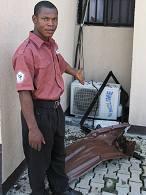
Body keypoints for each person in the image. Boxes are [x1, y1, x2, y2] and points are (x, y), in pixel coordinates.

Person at [12, 1, 84, 195]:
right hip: (37, 112)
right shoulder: (25, 53)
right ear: (35, 19)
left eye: (54, 19)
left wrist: (74, 72)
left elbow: (60, 62)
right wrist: (33, 129)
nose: (51, 24)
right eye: (45, 19)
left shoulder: (51, 44)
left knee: (58, 154)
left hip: (56, 109)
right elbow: (24, 92)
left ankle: (60, 189)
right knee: (38, 161)